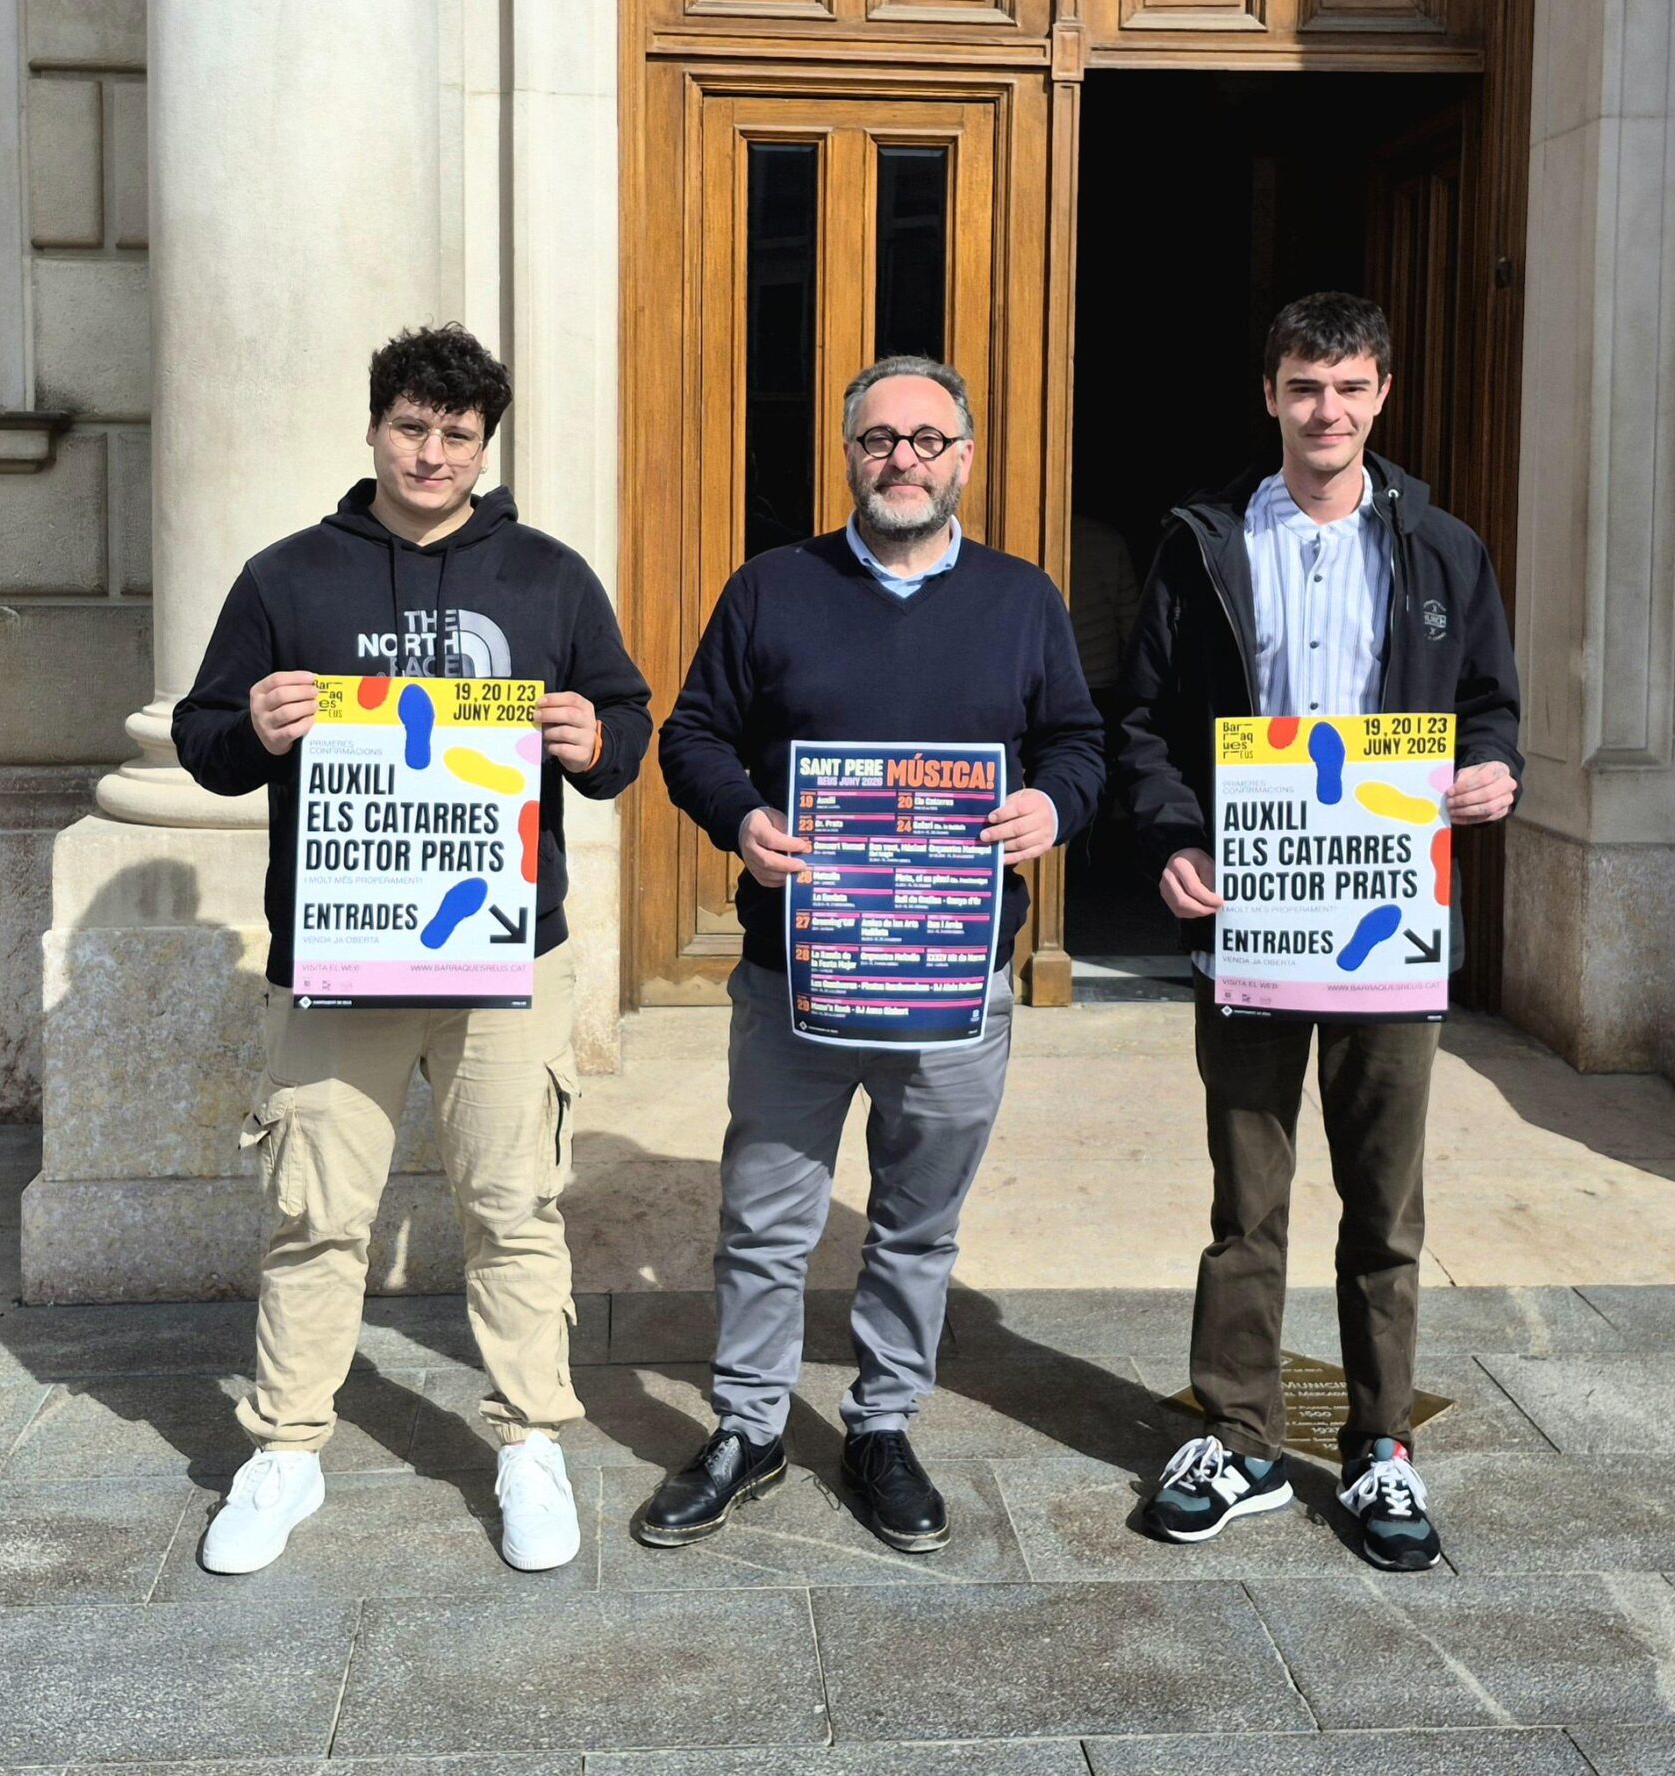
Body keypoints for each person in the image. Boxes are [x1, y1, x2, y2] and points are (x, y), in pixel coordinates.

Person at [171, 323, 651, 1574]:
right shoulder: (287, 578)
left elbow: (627, 723)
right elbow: (203, 740)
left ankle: (530, 1442)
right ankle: (284, 1451)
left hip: (507, 957)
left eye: (457, 435)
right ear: (375, 426)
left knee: (514, 1207)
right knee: (316, 1212)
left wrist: (596, 741)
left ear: (485, 447)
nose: (431, 454)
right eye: (411, 428)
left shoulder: (548, 577)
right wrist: (254, 725)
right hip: (341, 959)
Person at [640, 354, 1104, 1552]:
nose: (904, 459)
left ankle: (882, 1424)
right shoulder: (771, 588)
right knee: (766, 1217)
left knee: (915, 1221)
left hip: (953, 981)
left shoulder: (1020, 600)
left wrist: (1052, 805)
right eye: (880, 439)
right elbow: (692, 735)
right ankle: (748, 1427)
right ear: (848, 455)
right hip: (796, 975)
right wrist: (742, 818)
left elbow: (1077, 743)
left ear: (964, 459)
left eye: (927, 440)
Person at [1112, 291, 1521, 1570]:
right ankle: (1237, 1436)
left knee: (1383, 1204)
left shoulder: (1442, 549)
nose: (1324, 411)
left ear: (1381, 394)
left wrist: (1493, 771)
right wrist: (1176, 838)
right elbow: (1143, 724)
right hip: (1252, 917)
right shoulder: (1206, 544)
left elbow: (1490, 707)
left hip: (1387, 922)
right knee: (1247, 1199)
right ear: (1270, 395)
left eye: (1347, 388)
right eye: (1303, 387)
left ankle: (1379, 1445)